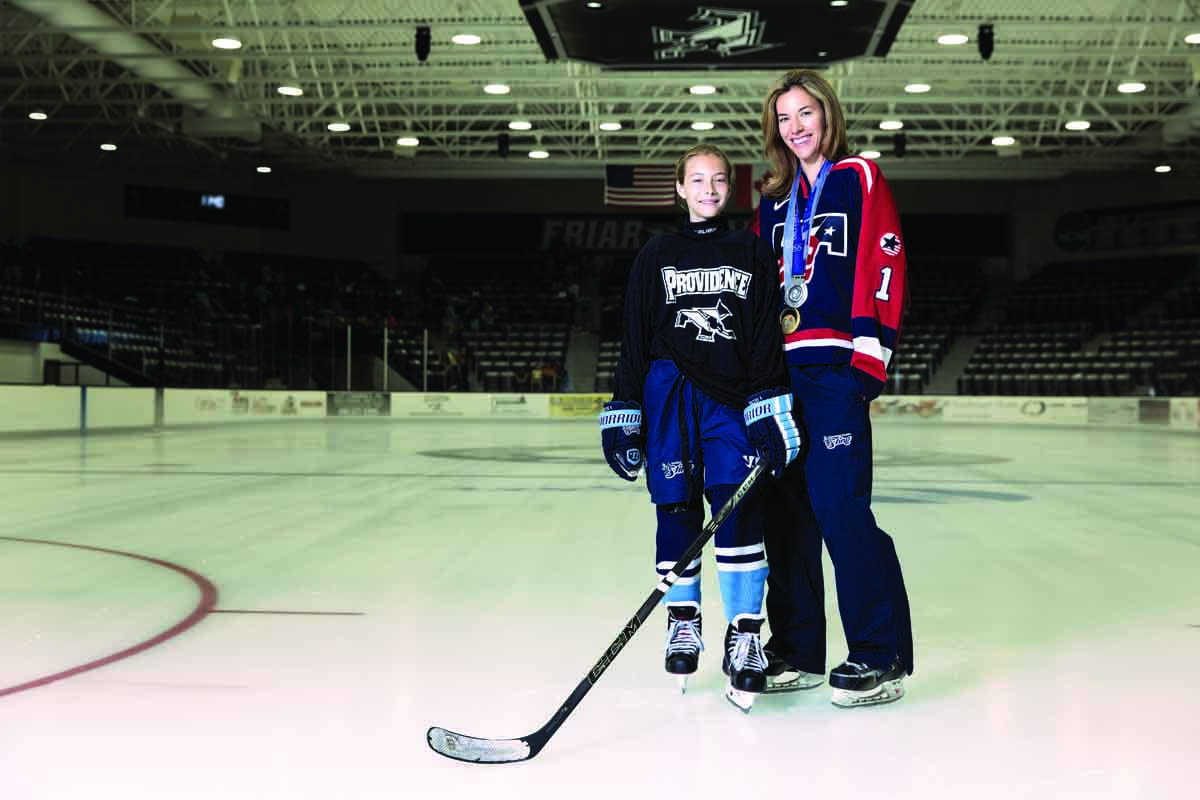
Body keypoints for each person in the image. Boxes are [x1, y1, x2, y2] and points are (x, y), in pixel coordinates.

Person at [599, 143, 802, 712]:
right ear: (681, 189)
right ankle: (683, 622)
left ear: (729, 190)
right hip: (669, 396)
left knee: (739, 509)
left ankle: (743, 634)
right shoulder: (656, 253)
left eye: (718, 180)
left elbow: (766, 334)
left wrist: (768, 402)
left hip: (731, 401)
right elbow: (635, 336)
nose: (709, 189)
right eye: (698, 179)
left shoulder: (751, 250)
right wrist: (625, 410)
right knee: (676, 509)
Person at [751, 69, 915, 707]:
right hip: (781, 375)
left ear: (827, 115)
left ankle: (879, 654)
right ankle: (796, 651)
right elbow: (764, 293)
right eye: (784, 119)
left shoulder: (859, 176)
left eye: (805, 114)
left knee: (840, 509)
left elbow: (886, 258)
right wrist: (758, 379)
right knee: (786, 516)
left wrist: (868, 360)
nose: (796, 128)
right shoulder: (771, 199)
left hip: (835, 371)